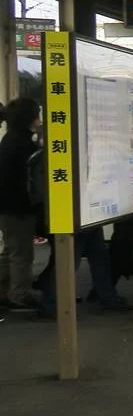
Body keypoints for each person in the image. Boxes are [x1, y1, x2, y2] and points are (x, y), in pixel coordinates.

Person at [0, 98, 40, 310]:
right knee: (21, 254)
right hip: (18, 207)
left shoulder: (10, 139)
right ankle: (19, 295)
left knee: (11, 251)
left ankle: (5, 290)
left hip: (7, 205)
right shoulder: (23, 143)